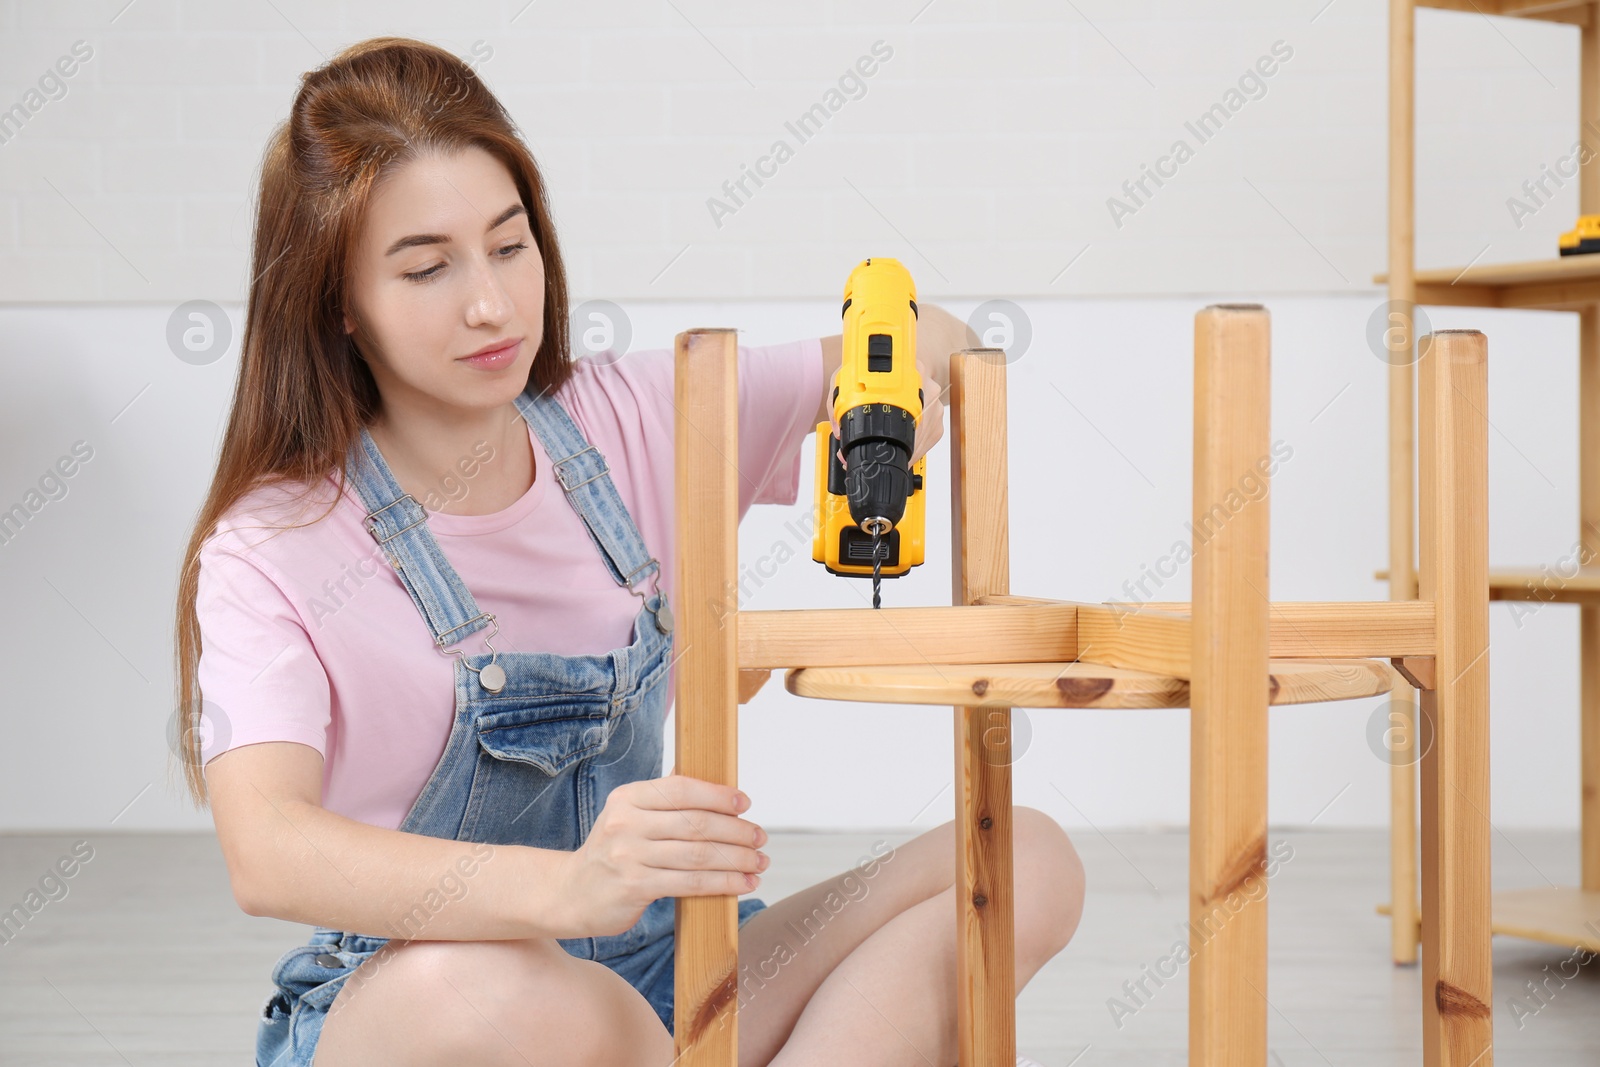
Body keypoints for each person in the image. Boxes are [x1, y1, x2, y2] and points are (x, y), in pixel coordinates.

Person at [170, 36, 1085, 1067]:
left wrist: (888, 406)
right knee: (472, 984)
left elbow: (938, 333)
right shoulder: (274, 543)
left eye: (510, 246)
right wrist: (565, 886)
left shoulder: (636, 415)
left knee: (1023, 858)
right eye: (428, 267)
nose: (491, 303)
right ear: (337, 300)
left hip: (661, 966)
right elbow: (267, 847)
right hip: (424, 997)